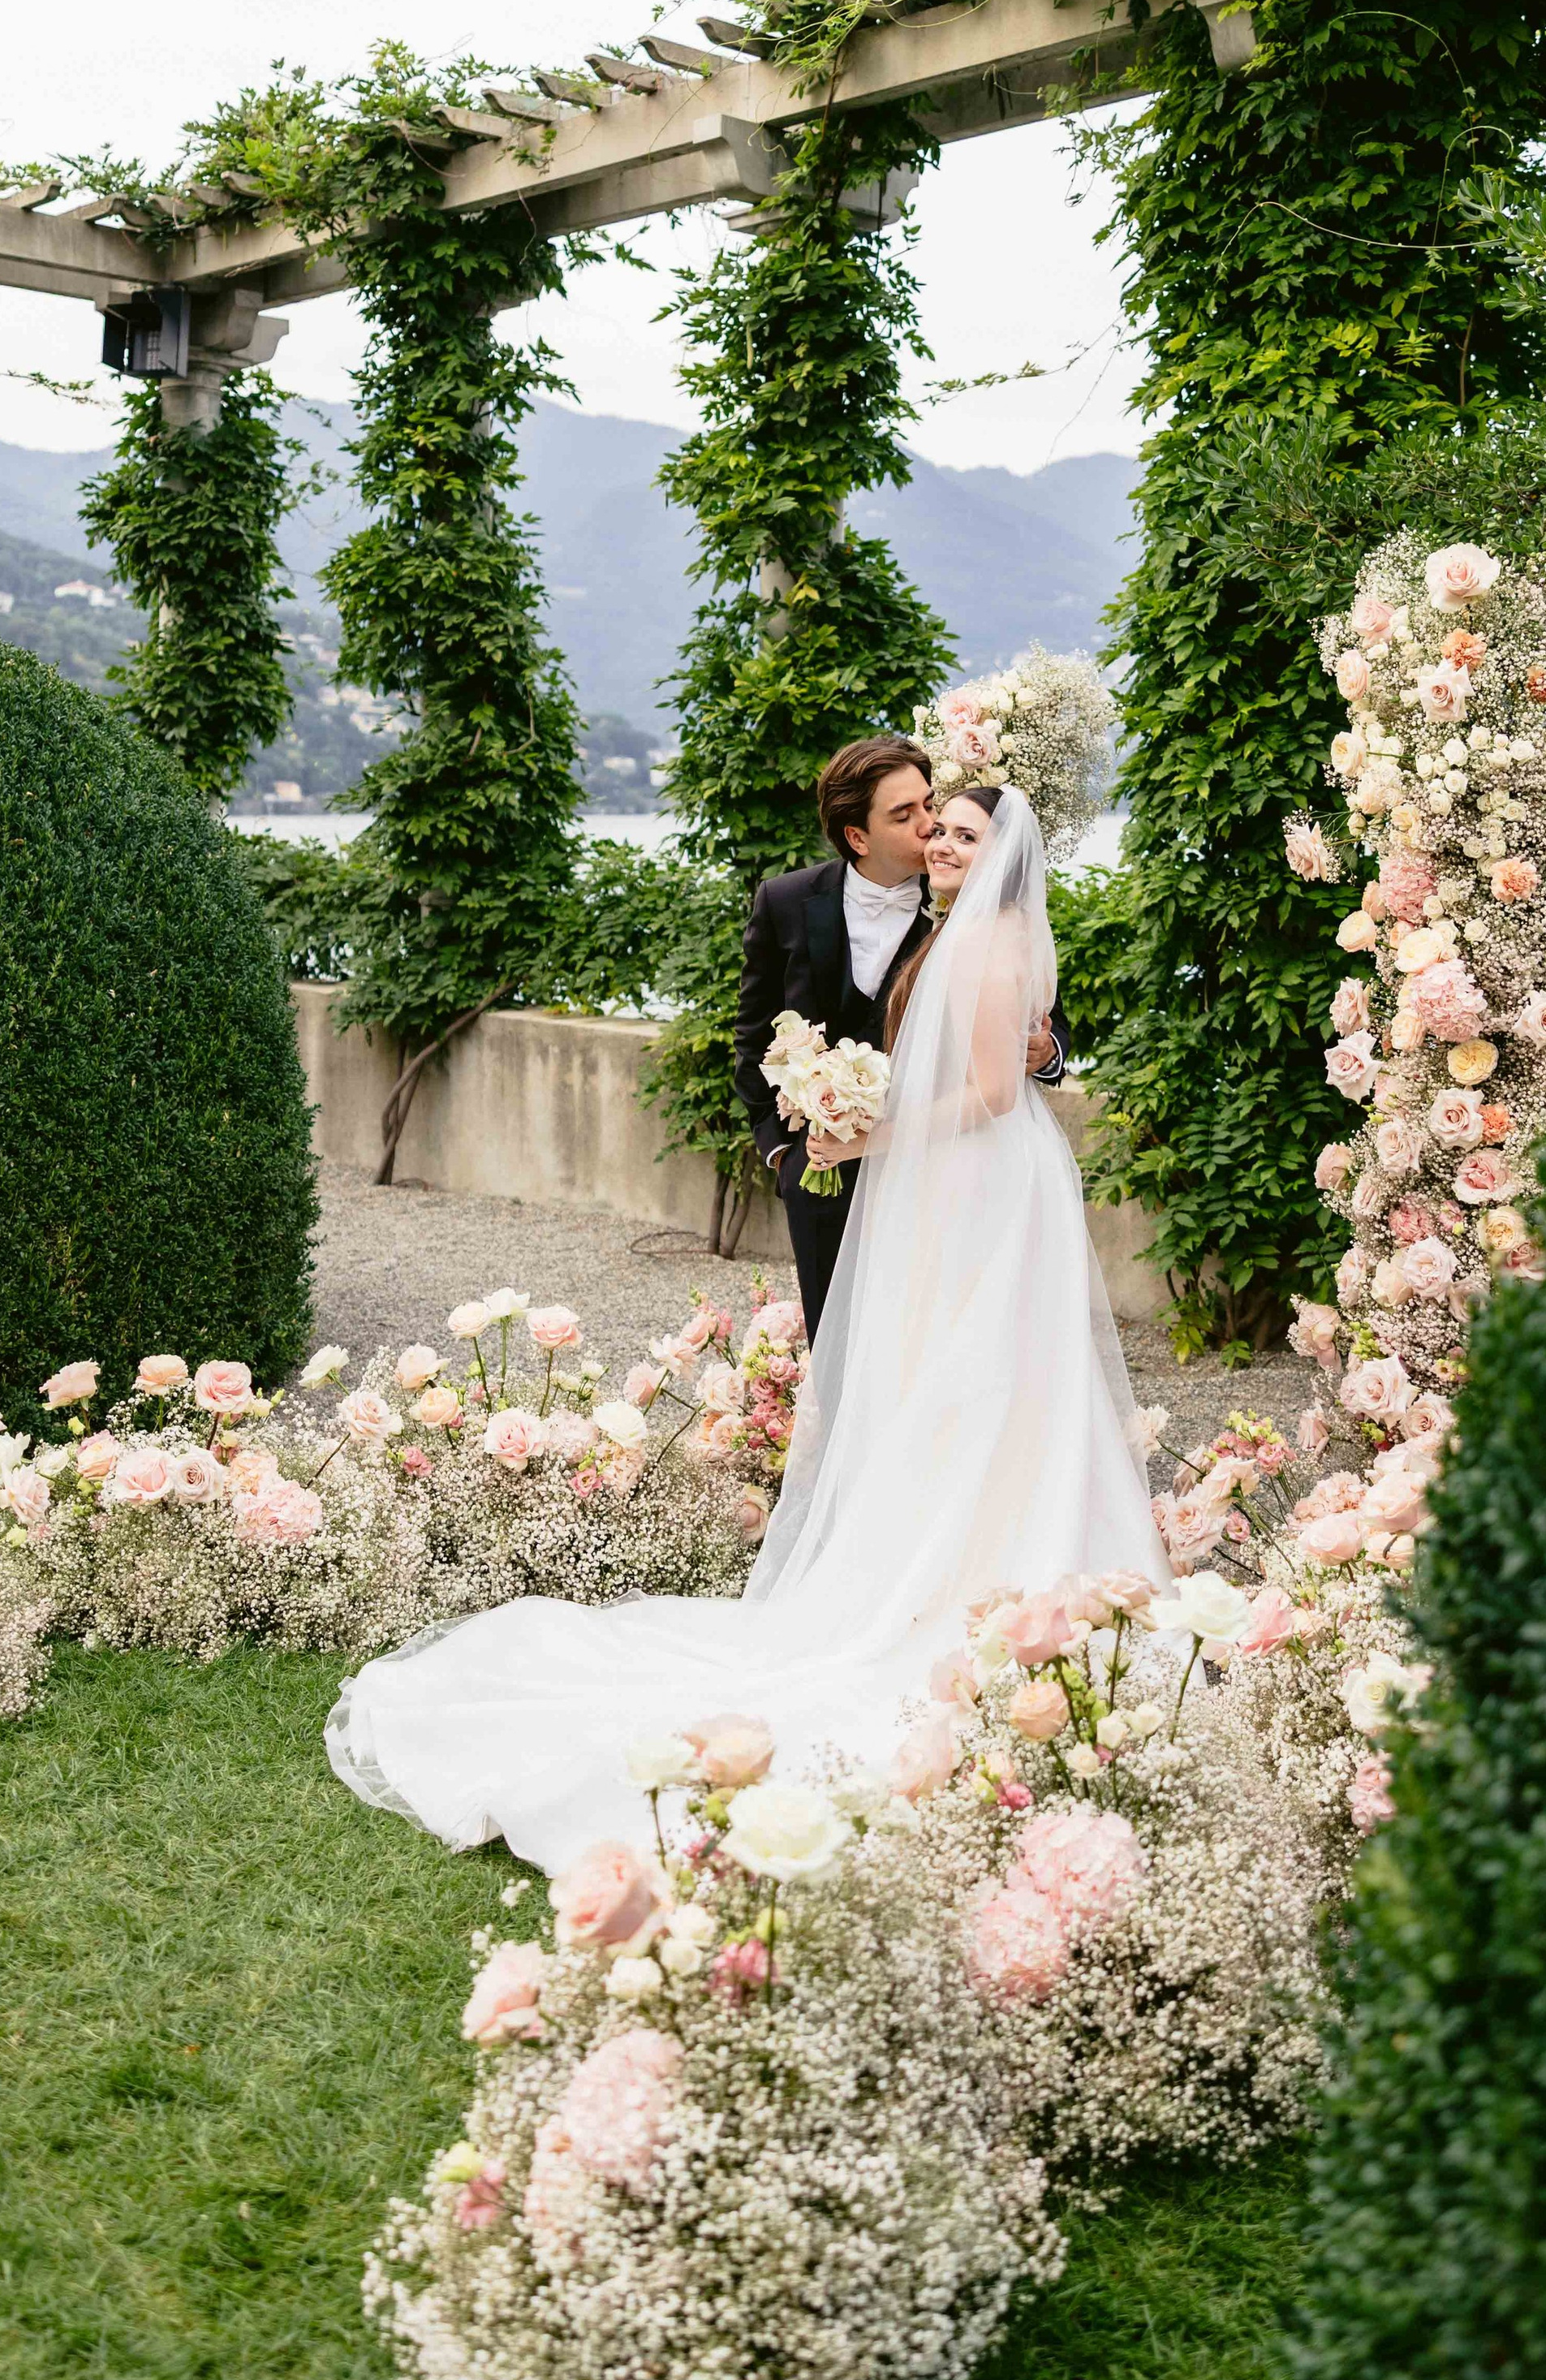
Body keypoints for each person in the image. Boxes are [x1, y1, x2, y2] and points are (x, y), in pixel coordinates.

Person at [325, 783, 1165, 1873]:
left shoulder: (989, 934)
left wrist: (879, 1130)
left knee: (995, 1374)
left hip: (977, 1184)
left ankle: (990, 1565)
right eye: (928, 824)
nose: (938, 839)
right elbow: (769, 1028)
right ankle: (934, 1555)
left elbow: (1012, 1076)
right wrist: (819, 1126)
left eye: (959, 830)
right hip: (923, 1184)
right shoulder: (858, 909)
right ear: (865, 832)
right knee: (919, 1377)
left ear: (998, 853)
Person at [734, 735, 1067, 1339]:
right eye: (904, 815)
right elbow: (755, 1036)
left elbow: (1043, 1013)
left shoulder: (973, 900)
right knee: (837, 1353)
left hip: (939, 1171)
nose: (930, 824)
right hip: (823, 1175)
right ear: (858, 837)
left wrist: (1046, 1052)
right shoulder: (784, 902)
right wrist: (780, 1151)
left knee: (927, 1348)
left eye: (928, 804)